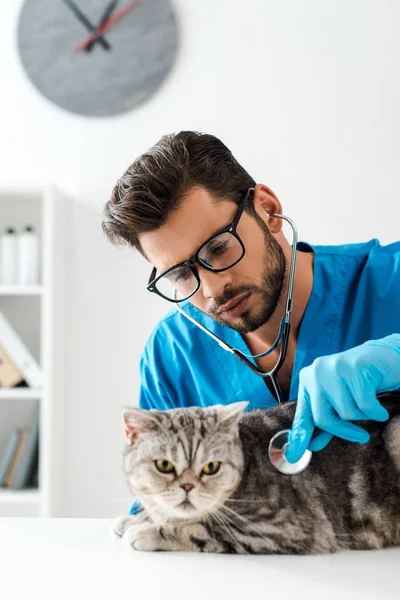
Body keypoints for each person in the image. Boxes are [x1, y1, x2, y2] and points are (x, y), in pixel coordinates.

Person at [102, 131, 400, 515]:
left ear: (268, 209)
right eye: (180, 275)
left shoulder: (389, 279)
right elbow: (156, 512)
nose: (212, 288)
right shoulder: (173, 355)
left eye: (218, 248)